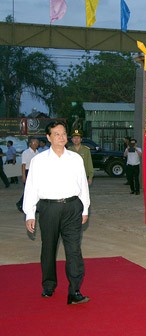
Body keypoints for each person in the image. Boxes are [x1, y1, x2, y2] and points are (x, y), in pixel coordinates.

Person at [23, 120, 91, 305]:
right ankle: (49, 284)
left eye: (63, 134)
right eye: (57, 134)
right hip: (48, 208)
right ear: (49, 137)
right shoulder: (38, 161)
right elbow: (31, 188)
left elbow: (83, 185)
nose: (62, 137)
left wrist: (85, 208)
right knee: (49, 248)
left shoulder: (75, 159)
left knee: (74, 250)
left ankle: (74, 290)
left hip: (72, 208)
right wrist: (30, 213)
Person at [16, 138, 39, 212]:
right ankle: (21, 204)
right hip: (27, 171)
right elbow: (23, 165)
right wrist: (23, 176)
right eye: (34, 143)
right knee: (28, 190)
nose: (35, 145)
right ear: (30, 144)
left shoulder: (37, 152)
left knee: (34, 190)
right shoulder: (26, 152)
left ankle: (34, 205)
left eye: (37, 143)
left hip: (35, 172)